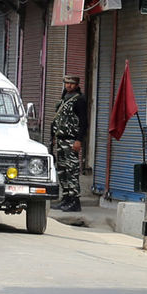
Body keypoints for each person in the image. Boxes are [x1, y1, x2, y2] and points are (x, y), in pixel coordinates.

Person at [51, 73, 87, 212]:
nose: (69, 86)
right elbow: (57, 120)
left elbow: (84, 122)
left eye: (71, 83)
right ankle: (66, 198)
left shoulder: (79, 100)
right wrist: (53, 137)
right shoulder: (64, 98)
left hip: (72, 140)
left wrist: (79, 140)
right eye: (67, 83)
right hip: (61, 139)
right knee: (62, 170)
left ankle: (74, 201)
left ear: (77, 85)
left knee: (72, 170)